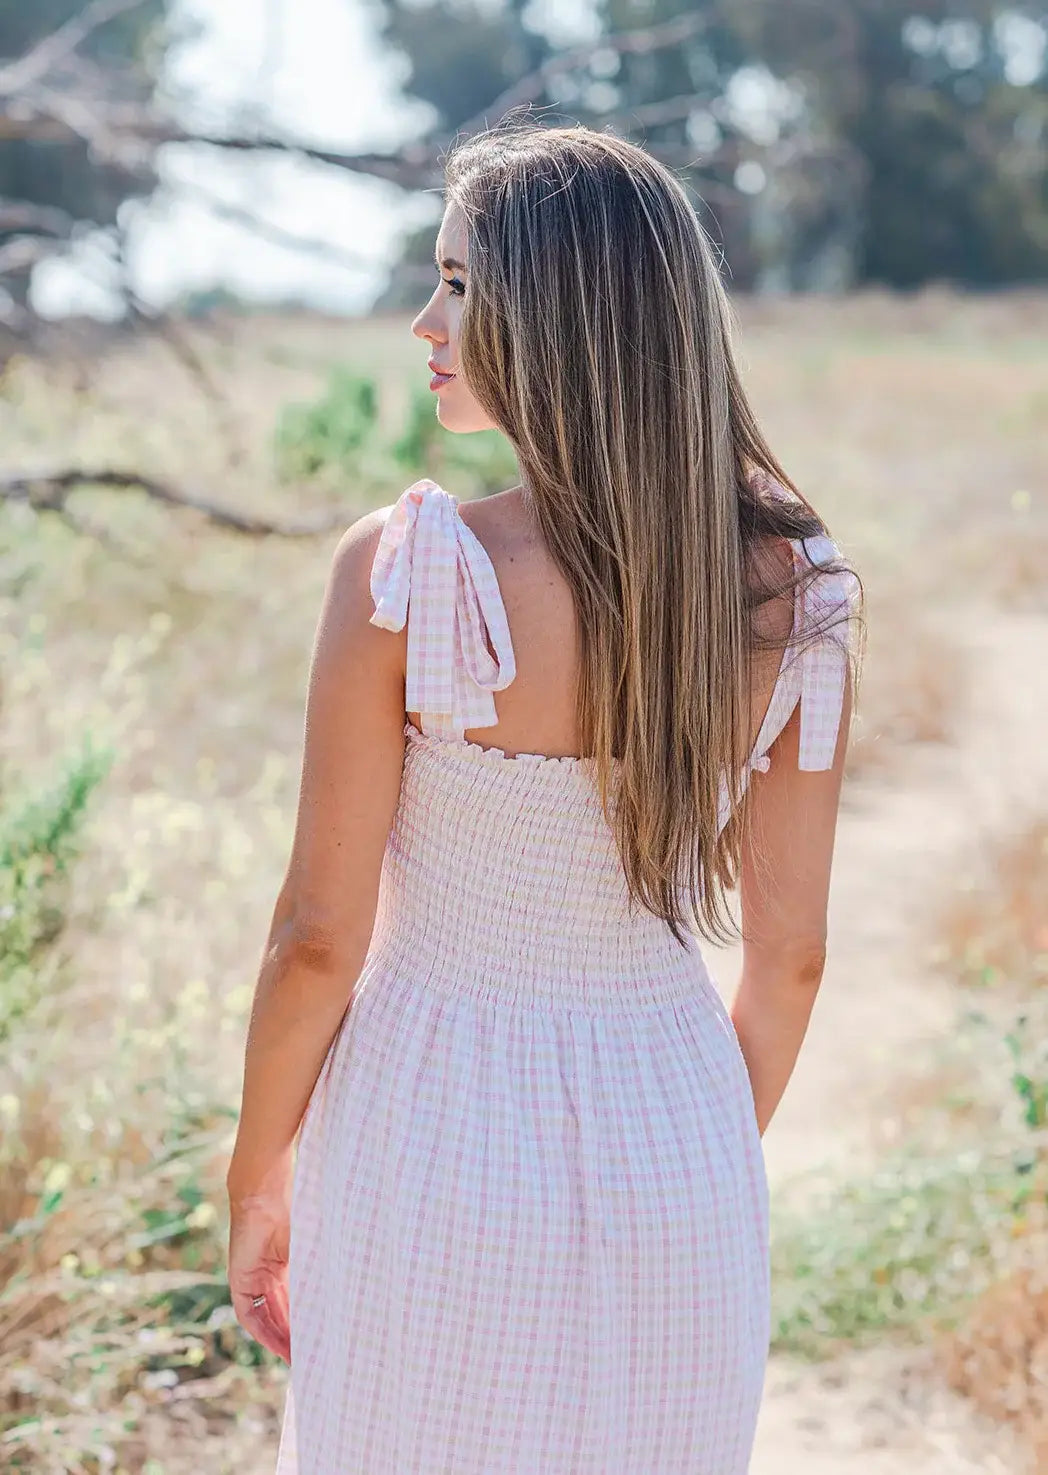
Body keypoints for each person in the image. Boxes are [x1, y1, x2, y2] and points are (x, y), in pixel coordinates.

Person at [225, 119, 862, 1475]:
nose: (423, 321)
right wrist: (677, 1159)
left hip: (425, 1124)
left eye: (456, 282)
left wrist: (254, 1177)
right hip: (679, 1128)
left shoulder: (413, 570)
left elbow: (318, 937)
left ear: (558, 309)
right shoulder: (794, 590)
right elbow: (794, 959)